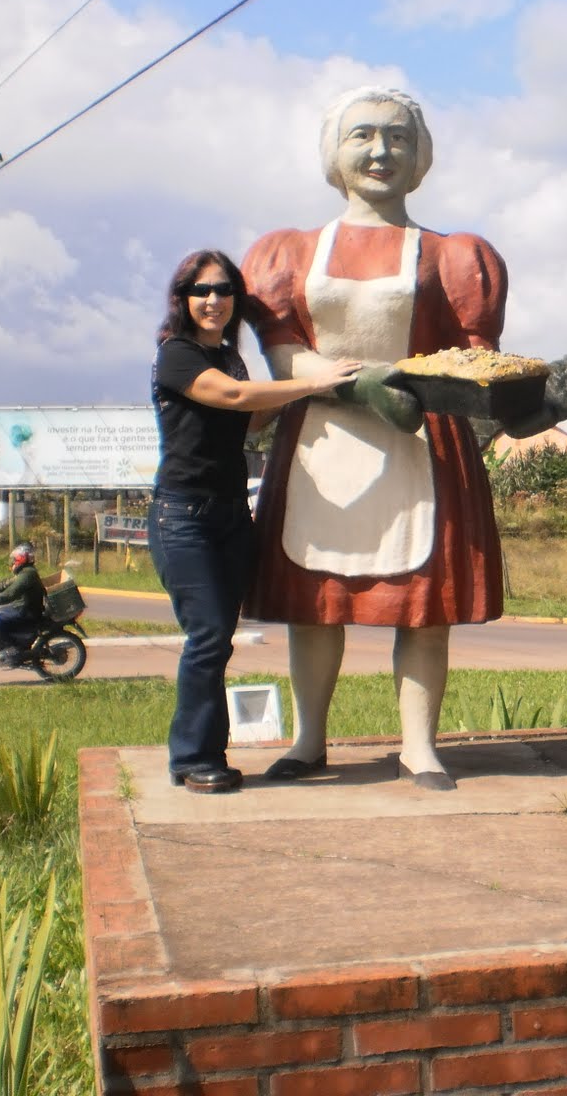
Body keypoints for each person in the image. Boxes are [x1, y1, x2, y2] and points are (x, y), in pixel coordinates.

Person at [241, 85, 558, 791]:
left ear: (421, 157)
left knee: (420, 607)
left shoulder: (453, 256)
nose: (381, 151)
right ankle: (309, 739)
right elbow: (283, 352)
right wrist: (351, 385)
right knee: (315, 602)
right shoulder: (289, 252)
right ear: (334, 153)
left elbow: (471, 360)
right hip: (321, 441)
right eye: (362, 136)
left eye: (397, 138)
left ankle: (421, 746)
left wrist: (515, 401)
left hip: (421, 446)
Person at [150, 249, 361, 794]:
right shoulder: (176, 356)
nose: (213, 300)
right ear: (183, 300)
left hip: (229, 516)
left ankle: (205, 754)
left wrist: (308, 388)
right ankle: (193, 758)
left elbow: (250, 415)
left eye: (224, 291)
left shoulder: (228, 356)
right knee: (208, 637)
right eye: (202, 291)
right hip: (184, 518)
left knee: (218, 638)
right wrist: (309, 385)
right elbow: (236, 397)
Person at [0, 542, 46, 663]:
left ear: (20, 559)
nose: (12, 562)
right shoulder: (25, 572)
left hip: (27, 611)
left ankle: (12, 649)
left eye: (14, 559)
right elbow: (6, 584)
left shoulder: (28, 574)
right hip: (22, 607)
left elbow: (12, 592)